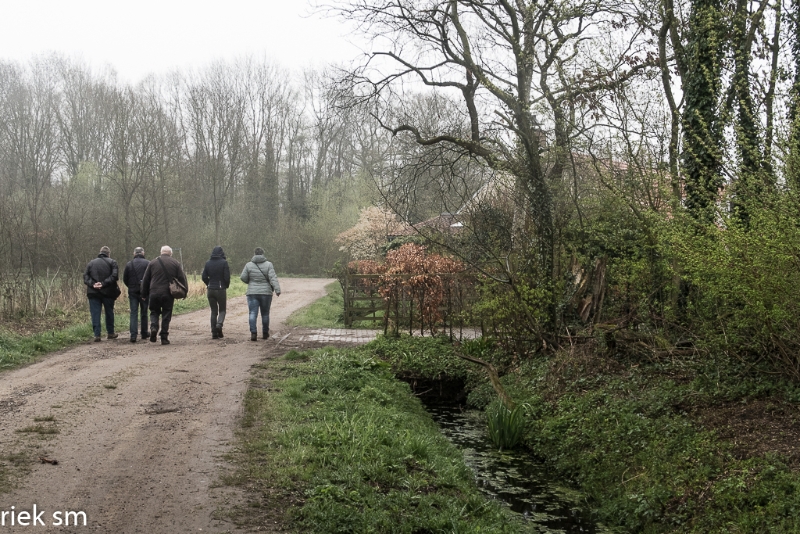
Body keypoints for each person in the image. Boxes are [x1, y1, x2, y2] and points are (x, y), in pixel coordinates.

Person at [140, 245, 187, 345]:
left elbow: (145, 280)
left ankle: (153, 327)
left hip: (154, 292)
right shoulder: (175, 263)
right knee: (166, 313)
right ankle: (164, 337)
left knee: (154, 311)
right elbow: (182, 278)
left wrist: (143, 293)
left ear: (161, 252)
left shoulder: (152, 263)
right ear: (170, 253)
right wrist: (184, 292)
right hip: (168, 293)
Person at [240, 247, 281, 341]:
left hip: (252, 293)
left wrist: (250, 282)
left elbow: (243, 277)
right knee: (265, 314)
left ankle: (253, 333)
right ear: (263, 254)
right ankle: (265, 333)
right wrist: (277, 289)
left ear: (254, 254)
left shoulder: (248, 265)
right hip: (266, 293)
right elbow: (273, 278)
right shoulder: (269, 264)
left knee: (253, 313)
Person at [83, 245, 120, 342]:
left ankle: (97, 335)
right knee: (109, 312)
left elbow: (85, 277)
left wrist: (94, 284)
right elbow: (115, 276)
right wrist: (103, 284)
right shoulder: (112, 262)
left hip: (93, 292)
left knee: (95, 313)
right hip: (108, 292)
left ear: (100, 252)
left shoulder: (91, 263)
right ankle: (110, 333)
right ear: (109, 254)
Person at [201, 246, 230, 339]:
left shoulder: (208, 263)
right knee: (222, 310)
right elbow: (227, 277)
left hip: (210, 290)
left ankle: (214, 333)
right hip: (220, 289)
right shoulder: (224, 263)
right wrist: (226, 285)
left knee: (213, 311)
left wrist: (209, 283)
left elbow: (204, 276)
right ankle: (219, 324)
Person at [122, 247, 150, 343]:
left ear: (134, 254)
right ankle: (144, 333)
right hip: (144, 292)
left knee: (133, 313)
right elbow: (151, 278)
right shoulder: (148, 263)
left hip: (133, 291)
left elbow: (125, 278)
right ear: (143, 253)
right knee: (144, 312)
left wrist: (131, 286)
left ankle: (133, 335)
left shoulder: (129, 264)